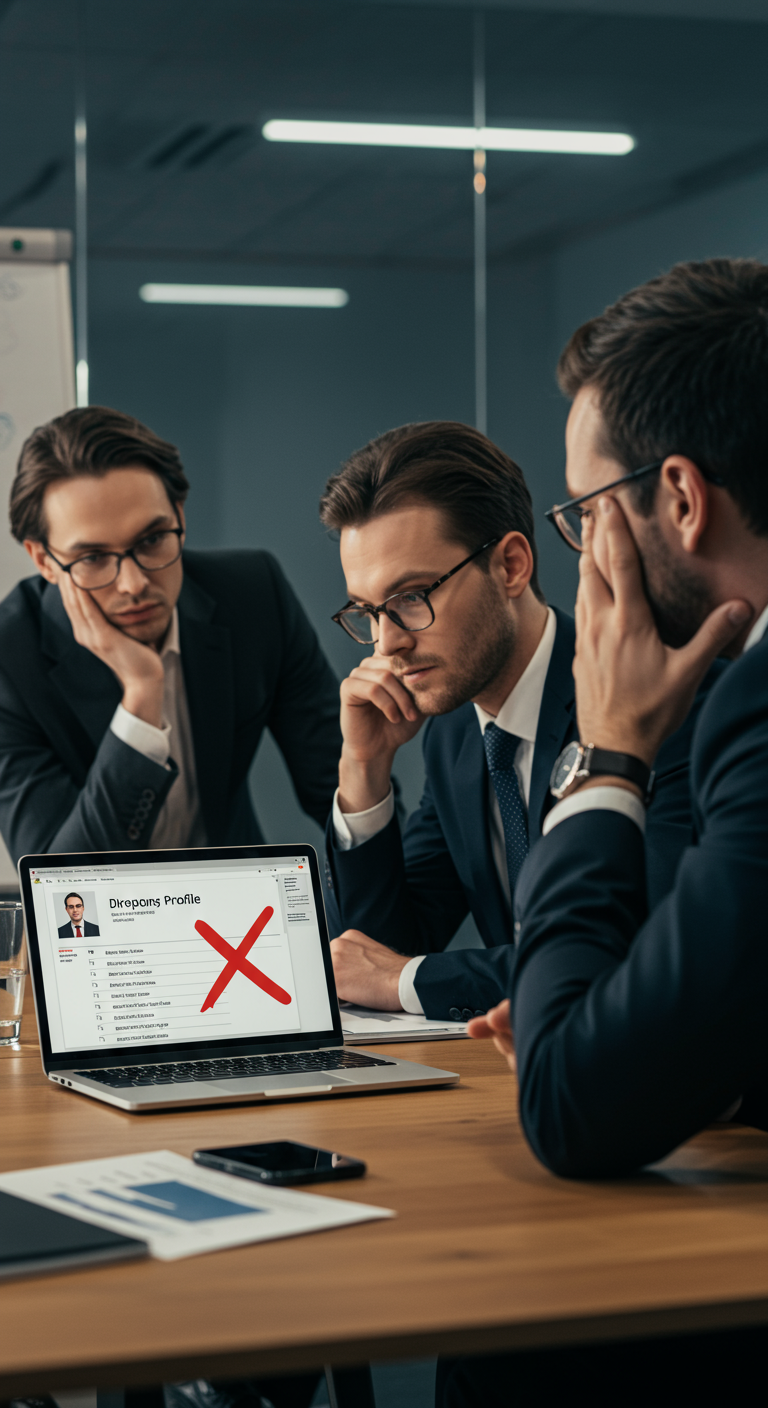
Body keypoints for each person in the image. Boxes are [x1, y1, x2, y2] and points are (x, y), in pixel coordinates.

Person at [454, 258, 768, 1405]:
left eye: (588, 512)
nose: (587, 550)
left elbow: (576, 1108)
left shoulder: (753, 703)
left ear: (678, 497)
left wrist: (612, 747)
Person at [319, 421, 716, 1021]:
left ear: (509, 565)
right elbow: (377, 955)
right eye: (369, 612)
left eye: (410, 598)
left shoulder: (653, 695)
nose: (385, 644)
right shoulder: (454, 734)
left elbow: (635, 955)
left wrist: (407, 979)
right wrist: (364, 770)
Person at [0, 407, 341, 864]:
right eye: (94, 558)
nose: (134, 583)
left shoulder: (254, 595)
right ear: (43, 560)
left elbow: (340, 790)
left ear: (178, 513)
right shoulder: (9, 658)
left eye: (151, 540)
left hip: (236, 910)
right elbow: (60, 883)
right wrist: (142, 695)